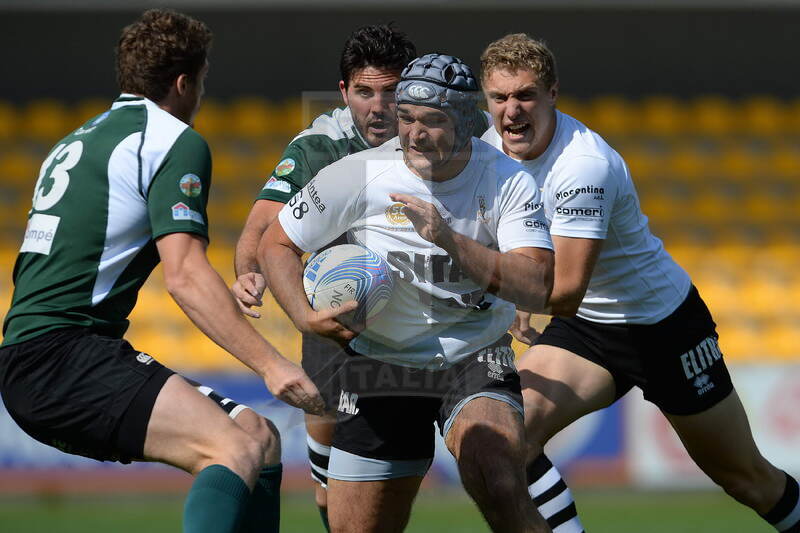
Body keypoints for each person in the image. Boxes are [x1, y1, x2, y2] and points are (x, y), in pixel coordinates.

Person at [0, 9, 324, 533]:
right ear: (183, 82)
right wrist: (271, 364)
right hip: (64, 356)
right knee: (230, 450)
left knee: (259, 436)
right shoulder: (173, 140)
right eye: (201, 82)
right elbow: (185, 276)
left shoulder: (75, 140)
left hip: (46, 351)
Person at [479, 33, 800, 533]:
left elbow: (564, 292)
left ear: (553, 94)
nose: (512, 110)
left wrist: (506, 286)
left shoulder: (584, 166)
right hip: (589, 332)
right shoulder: (488, 149)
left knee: (748, 481)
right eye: (499, 98)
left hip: (663, 326)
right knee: (505, 437)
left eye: (525, 95)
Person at [260, 53, 555, 533]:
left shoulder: (507, 179)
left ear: (464, 121)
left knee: (500, 478)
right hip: (379, 363)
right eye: (407, 118)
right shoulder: (357, 174)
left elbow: (538, 285)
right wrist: (301, 316)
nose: (415, 134)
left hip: (474, 355)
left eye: (433, 121)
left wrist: (448, 239)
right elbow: (276, 242)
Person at [232, 24, 419, 530]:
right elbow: (260, 225)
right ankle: (325, 480)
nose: (378, 106)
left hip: (419, 313)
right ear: (344, 93)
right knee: (328, 493)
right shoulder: (321, 144)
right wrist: (250, 273)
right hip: (339, 316)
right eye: (364, 91)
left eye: (392, 91)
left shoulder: (438, 137)